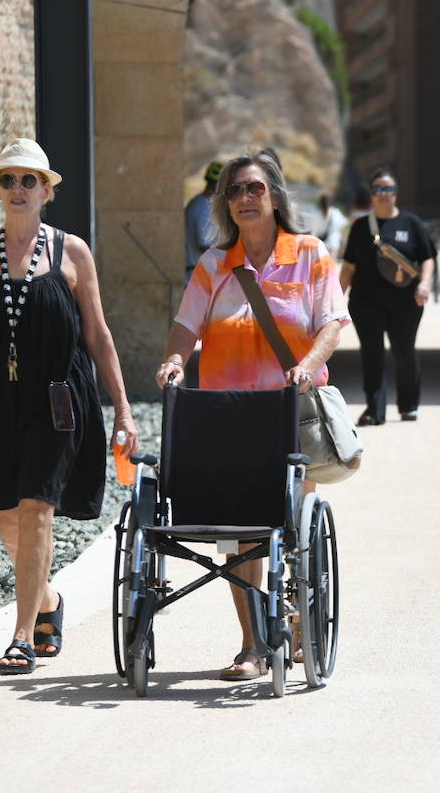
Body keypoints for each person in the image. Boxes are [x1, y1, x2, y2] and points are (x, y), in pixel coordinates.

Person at [154, 146, 349, 681]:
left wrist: (307, 365)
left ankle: (294, 614)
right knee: (242, 534)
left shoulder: (310, 253)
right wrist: (174, 360)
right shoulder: (214, 265)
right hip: (228, 416)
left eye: (254, 188)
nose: (243, 197)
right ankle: (252, 645)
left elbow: (333, 322)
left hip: (290, 413)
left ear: (275, 195)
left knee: (290, 525)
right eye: (233, 191)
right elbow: (186, 326)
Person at [0, 138, 139, 675]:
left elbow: (98, 335)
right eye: (7, 179)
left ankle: (21, 635)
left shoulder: (72, 252)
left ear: (47, 190)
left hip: (58, 399)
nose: (17, 188)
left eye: (28, 180)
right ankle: (48, 601)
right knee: (7, 516)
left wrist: (122, 408)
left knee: (36, 509)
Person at [338, 169, 436, 425]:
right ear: (371, 194)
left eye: (388, 189)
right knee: (372, 354)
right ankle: (374, 410)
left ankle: (408, 404)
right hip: (365, 300)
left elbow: (427, 257)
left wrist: (424, 284)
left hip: (406, 301)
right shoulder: (360, 227)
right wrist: (335, 301)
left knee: (404, 352)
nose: (383, 194)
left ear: (396, 193)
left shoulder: (411, 223)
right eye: (378, 189)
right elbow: (348, 267)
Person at [184, 159, 224, 283]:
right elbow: (204, 245)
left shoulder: (197, 202)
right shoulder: (204, 207)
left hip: (195, 275)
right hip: (198, 278)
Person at [315, 192, 349, 257]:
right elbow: (343, 223)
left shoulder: (317, 214)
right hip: (333, 242)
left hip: (321, 243)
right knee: (332, 264)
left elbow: (315, 229)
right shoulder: (335, 212)